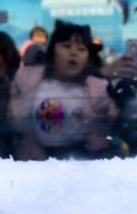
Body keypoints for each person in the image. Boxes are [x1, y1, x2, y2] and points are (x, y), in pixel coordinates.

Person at [10, 21, 116, 161]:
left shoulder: (96, 87)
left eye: (81, 49)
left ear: (88, 57)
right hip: (36, 158)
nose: (73, 53)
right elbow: (14, 117)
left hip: (79, 157)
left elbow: (106, 121)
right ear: (52, 51)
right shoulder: (27, 79)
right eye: (66, 46)